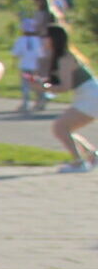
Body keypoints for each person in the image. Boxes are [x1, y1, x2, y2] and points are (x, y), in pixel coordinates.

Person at [44, 21, 97, 172]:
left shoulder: (65, 58)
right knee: (63, 129)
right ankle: (92, 155)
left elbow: (64, 87)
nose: (42, 40)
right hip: (88, 95)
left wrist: (43, 87)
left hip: (91, 96)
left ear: (53, 39)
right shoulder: (62, 57)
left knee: (61, 128)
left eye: (45, 37)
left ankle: (79, 162)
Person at [14, 1, 49, 112]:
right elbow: (42, 54)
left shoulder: (21, 40)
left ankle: (25, 103)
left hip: (25, 65)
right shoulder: (38, 40)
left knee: (26, 86)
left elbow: (16, 53)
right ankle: (41, 101)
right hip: (36, 67)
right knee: (37, 85)